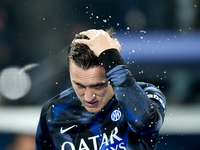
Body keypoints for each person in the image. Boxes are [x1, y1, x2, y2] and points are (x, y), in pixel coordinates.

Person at [35, 28, 166, 150]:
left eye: (98, 85)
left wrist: (110, 56)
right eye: (79, 85)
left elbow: (144, 124)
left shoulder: (147, 94)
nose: (88, 97)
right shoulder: (53, 112)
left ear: (112, 71)